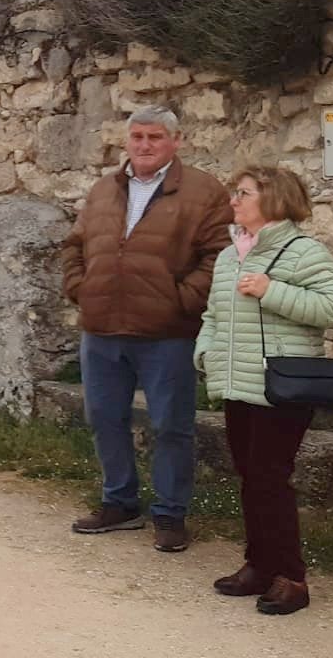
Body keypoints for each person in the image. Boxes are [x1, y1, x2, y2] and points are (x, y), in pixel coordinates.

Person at [61, 106, 232, 553]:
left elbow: (219, 255)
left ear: (177, 140)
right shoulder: (104, 189)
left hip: (167, 333)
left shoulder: (204, 191)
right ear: (126, 141)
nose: (144, 145)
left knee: (172, 426)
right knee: (103, 418)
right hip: (101, 327)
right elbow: (75, 245)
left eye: (155, 137)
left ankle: (171, 514)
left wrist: (180, 302)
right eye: (137, 136)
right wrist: (80, 288)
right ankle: (120, 502)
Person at [195, 166, 333, 616]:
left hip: (282, 386)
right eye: (235, 192)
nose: (234, 201)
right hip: (237, 383)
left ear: (274, 200)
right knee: (251, 478)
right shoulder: (230, 256)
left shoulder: (303, 252)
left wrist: (272, 290)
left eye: (243, 193)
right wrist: (205, 354)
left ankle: (292, 578)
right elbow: (214, 316)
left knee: (270, 478)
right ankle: (259, 565)